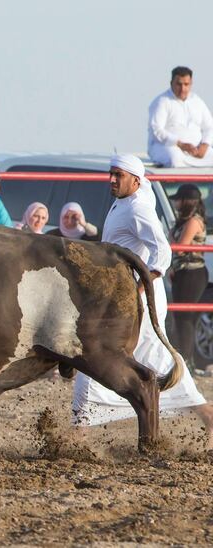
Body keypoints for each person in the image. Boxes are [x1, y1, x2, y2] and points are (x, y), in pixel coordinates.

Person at [72, 154, 213, 448]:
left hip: (137, 299)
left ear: (135, 180)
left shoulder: (137, 208)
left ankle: (79, 432)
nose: (111, 180)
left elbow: (162, 250)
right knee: (155, 359)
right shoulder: (124, 202)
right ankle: (206, 415)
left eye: (118, 175)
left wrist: (139, 286)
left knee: (99, 353)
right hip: (129, 298)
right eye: (111, 174)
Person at [166, 184, 208, 374]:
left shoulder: (193, 221)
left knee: (185, 318)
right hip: (182, 271)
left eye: (178, 199)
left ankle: (187, 362)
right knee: (179, 316)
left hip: (193, 272)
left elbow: (181, 247)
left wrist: (166, 238)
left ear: (186, 201)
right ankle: (183, 360)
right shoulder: (182, 221)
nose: (175, 202)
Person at [148, 66, 213, 168]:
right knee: (175, 159)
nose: (183, 89)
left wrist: (204, 146)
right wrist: (181, 144)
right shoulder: (162, 101)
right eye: (179, 84)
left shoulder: (197, 102)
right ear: (171, 83)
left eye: (186, 84)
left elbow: (209, 126)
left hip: (196, 150)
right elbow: (156, 130)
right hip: (169, 147)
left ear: (191, 84)